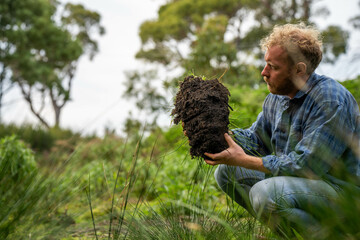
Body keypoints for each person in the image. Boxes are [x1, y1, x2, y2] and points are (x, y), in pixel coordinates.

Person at [203, 23, 360, 238]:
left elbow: (306, 166)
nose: (264, 72)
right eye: (265, 64)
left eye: (273, 67)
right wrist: (212, 132)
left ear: (299, 70)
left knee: (265, 194)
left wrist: (242, 159)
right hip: (304, 185)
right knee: (227, 172)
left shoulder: (330, 100)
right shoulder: (276, 98)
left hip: (343, 196)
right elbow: (256, 139)